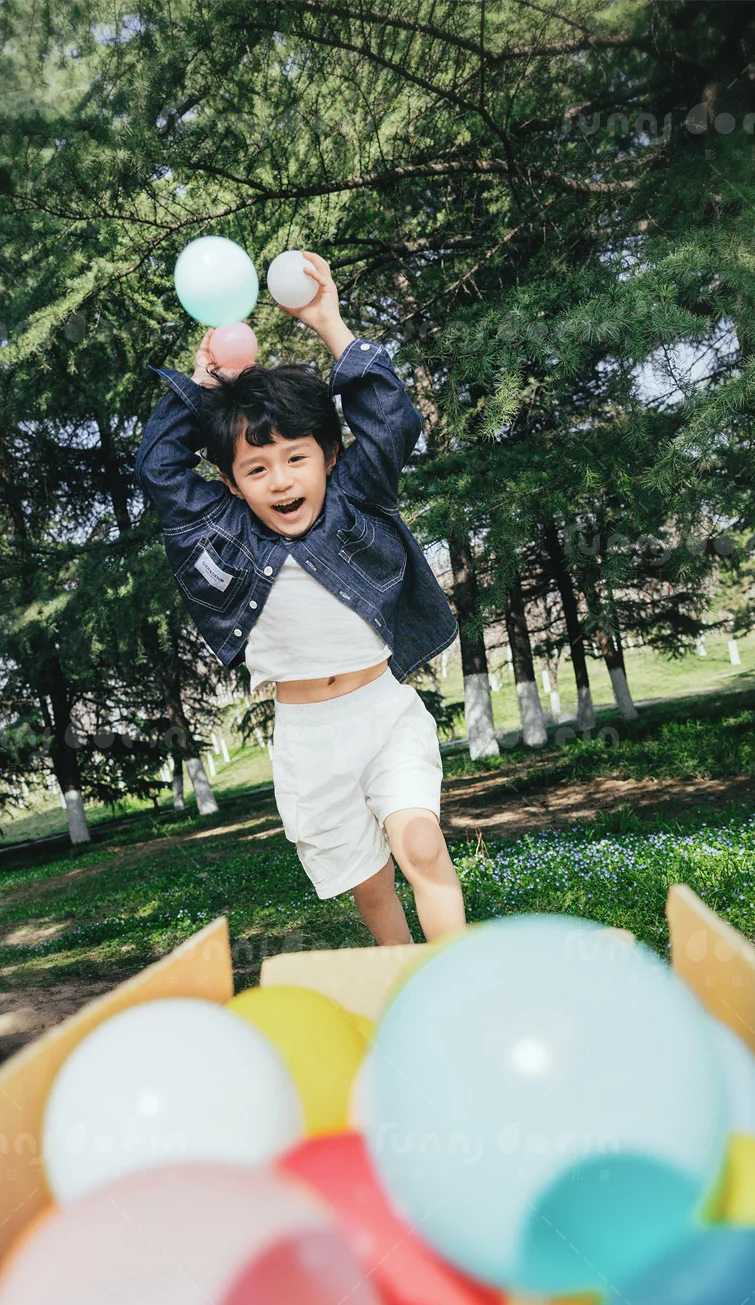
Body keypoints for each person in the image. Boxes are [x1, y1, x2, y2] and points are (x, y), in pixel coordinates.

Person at [136, 251, 465, 945]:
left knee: (421, 845)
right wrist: (201, 386)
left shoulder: (356, 498)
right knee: (371, 889)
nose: (280, 481)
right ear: (230, 483)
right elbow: (159, 469)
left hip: (382, 710)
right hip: (307, 740)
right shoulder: (217, 530)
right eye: (256, 468)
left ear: (330, 458)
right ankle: (405, 988)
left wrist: (329, 323)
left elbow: (388, 418)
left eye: (296, 459)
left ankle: (457, 977)